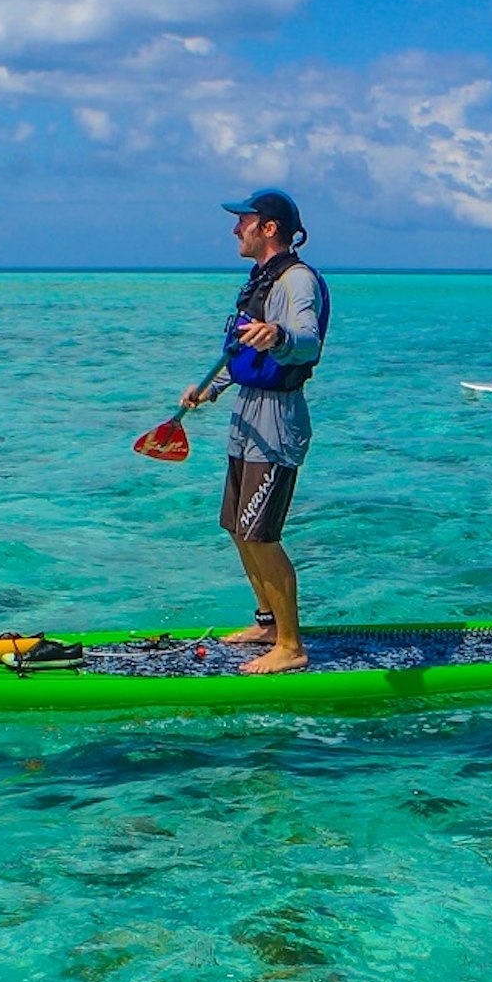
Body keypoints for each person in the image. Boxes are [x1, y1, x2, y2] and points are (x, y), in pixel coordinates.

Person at [181, 188, 328, 673]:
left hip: (277, 417)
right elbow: (242, 351)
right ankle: (267, 623)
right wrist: (211, 389)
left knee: (262, 534)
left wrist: (281, 335)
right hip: (247, 412)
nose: (234, 230)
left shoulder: (296, 281)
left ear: (268, 228)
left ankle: (291, 647)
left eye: (242, 221)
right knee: (238, 528)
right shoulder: (260, 279)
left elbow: (305, 341)